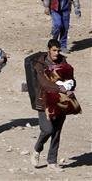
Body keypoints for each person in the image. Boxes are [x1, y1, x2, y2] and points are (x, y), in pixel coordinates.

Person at [31, 39, 77, 171]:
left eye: (58, 50)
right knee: (47, 129)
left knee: (56, 131)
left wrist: (71, 86)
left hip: (60, 101)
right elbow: (44, 83)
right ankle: (37, 149)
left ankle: (52, 162)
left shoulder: (63, 62)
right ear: (48, 50)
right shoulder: (40, 64)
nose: (57, 53)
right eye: (54, 50)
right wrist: (62, 89)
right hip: (44, 101)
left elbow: (71, 78)